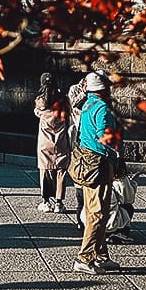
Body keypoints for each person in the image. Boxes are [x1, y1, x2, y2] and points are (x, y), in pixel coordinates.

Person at [73, 71, 122, 275]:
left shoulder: (87, 104)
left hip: (86, 160)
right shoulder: (102, 108)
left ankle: (100, 255)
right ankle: (84, 258)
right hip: (99, 162)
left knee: (95, 209)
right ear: (104, 89)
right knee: (97, 212)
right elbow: (105, 136)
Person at [34, 73, 71, 213]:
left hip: (45, 141)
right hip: (61, 140)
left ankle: (45, 200)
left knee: (45, 170)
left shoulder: (40, 101)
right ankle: (59, 202)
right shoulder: (62, 100)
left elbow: (37, 112)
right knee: (61, 171)